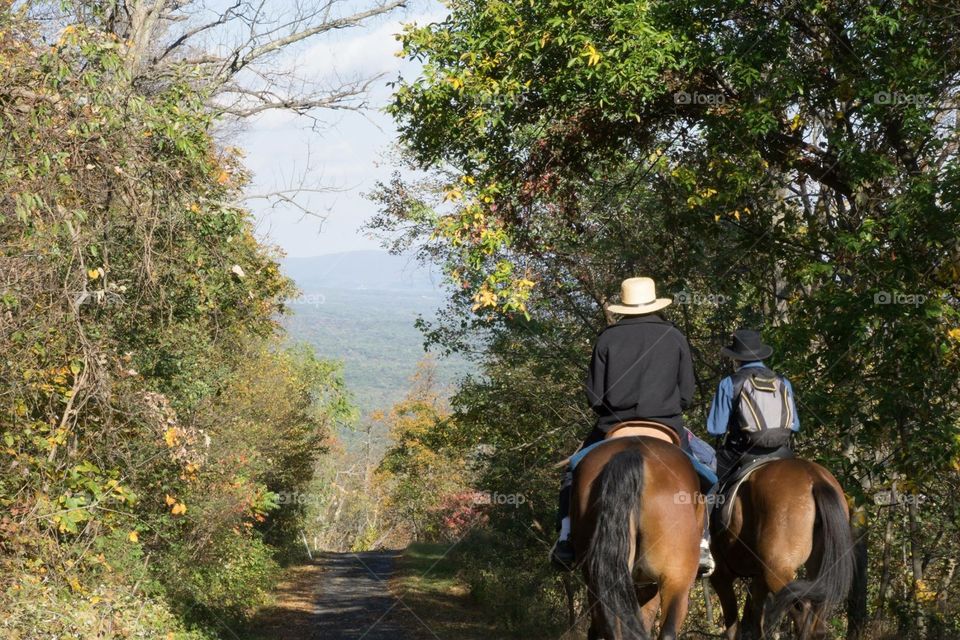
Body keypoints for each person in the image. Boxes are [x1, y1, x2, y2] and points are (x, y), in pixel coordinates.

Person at [551, 277, 713, 575]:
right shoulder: (674, 336)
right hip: (667, 427)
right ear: (654, 303)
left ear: (624, 306)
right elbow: (687, 393)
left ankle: (565, 540)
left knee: (573, 474)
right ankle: (703, 543)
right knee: (706, 470)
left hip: (613, 426)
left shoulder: (607, 338)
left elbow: (594, 396)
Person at [706, 329, 799, 484]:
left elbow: (716, 429)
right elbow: (795, 425)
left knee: (712, 491)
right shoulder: (783, 382)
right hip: (782, 450)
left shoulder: (729, 383)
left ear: (736, 358)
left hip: (741, 453)